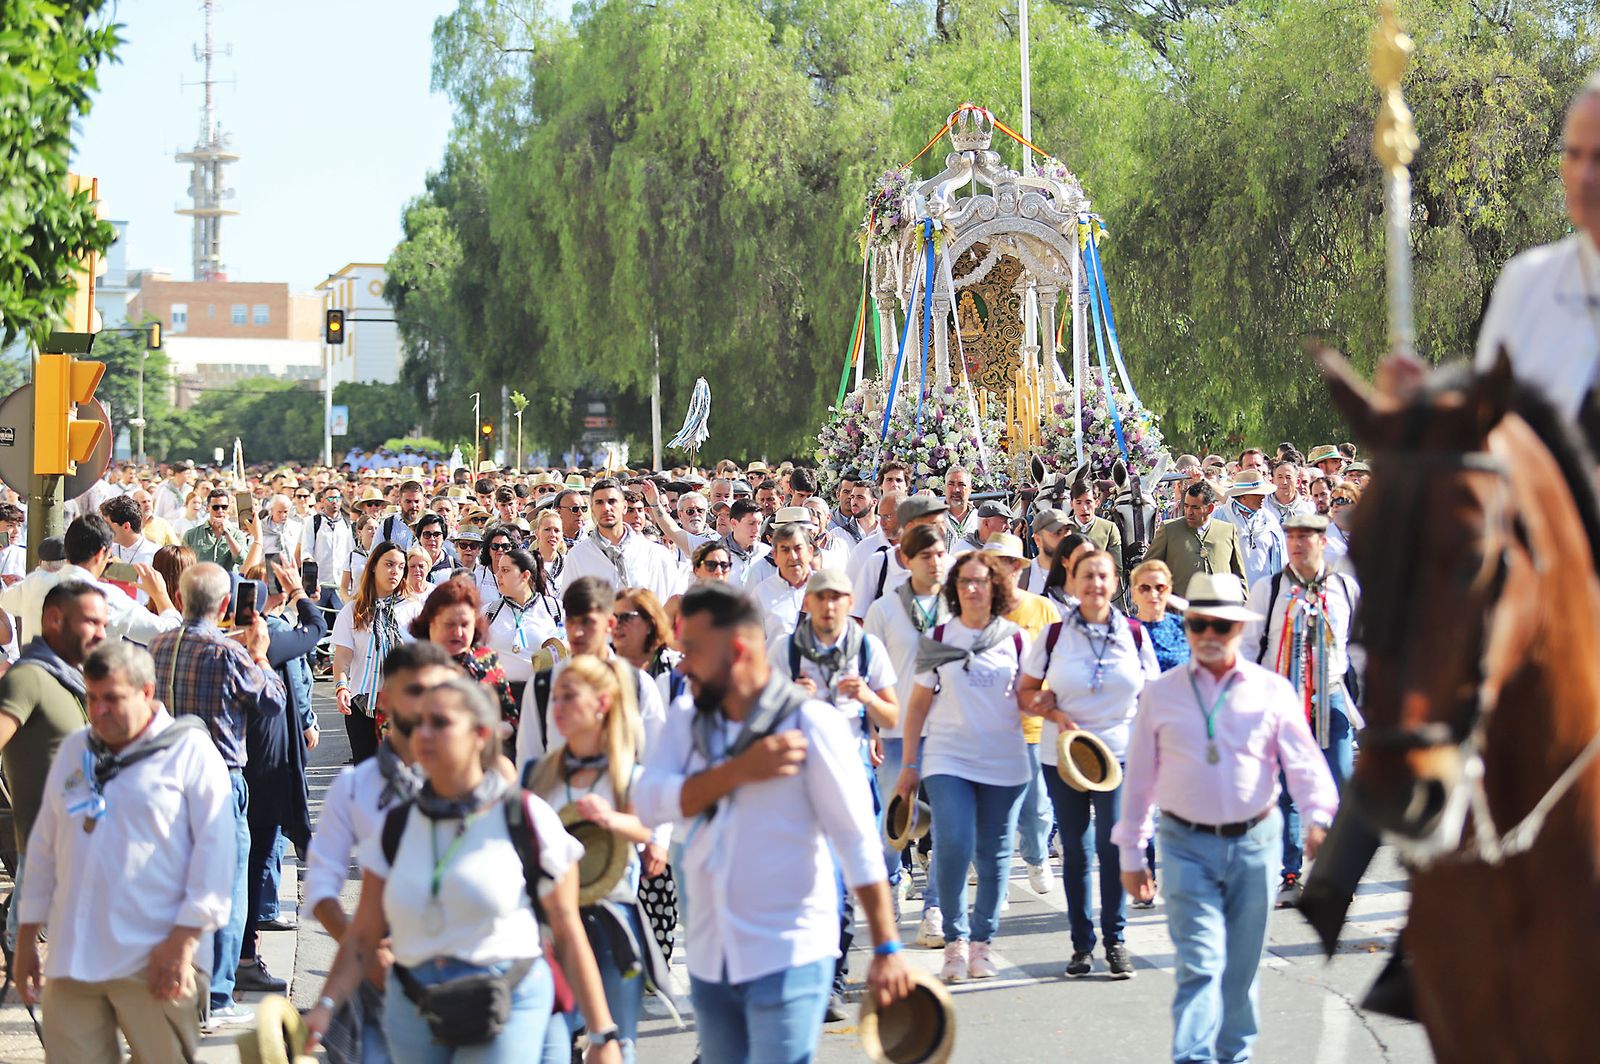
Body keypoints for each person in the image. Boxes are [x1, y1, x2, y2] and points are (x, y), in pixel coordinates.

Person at [635, 583, 913, 1063]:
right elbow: (646, 800)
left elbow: (856, 841)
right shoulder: (685, 718)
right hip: (711, 953)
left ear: (739, 651)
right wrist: (737, 772)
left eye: (694, 651)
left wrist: (887, 947)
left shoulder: (811, 725)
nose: (681, 665)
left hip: (790, 950)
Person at [303, 677, 624, 1064]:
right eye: (418, 722)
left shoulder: (525, 816)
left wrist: (602, 1033)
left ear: (480, 734)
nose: (423, 734)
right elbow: (363, 935)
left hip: (505, 999)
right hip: (413, 1005)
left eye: (440, 723)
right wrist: (325, 1005)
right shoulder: (396, 825)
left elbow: (568, 930)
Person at [1112, 572, 1338, 1064]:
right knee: (1199, 962)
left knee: (1240, 969)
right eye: (1199, 626)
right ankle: (1193, 1058)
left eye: (1221, 626)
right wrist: (1131, 851)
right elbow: (1140, 780)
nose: (1209, 636)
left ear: (1239, 629)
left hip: (1257, 844)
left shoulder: (1271, 691)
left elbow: (1304, 765)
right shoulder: (1161, 693)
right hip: (1185, 843)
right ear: (1187, 627)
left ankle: (1233, 1055)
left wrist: (1319, 819)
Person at [12, 641, 234, 1063]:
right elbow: (43, 846)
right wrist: (25, 938)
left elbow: (216, 856)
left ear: (147, 692)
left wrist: (183, 943)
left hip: (156, 956)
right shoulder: (77, 749)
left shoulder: (190, 751)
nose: (99, 711)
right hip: (74, 957)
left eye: (112, 699)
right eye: (92, 699)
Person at [149, 562, 290, 1028]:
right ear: (226, 605)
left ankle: (178, 983)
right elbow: (272, 700)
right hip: (217, 775)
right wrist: (262, 653)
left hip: (166, 775)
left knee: (175, 883)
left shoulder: (159, 643)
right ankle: (218, 994)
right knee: (227, 885)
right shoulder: (226, 653)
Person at [303, 641, 457, 1064]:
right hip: (377, 973)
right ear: (385, 698)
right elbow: (320, 885)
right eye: (414, 691)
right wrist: (371, 956)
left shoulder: (478, 782)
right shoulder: (355, 787)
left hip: (463, 982)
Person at [1019, 550, 1158, 980]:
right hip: (1064, 755)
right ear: (1074, 583)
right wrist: (1052, 712)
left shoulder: (1133, 633)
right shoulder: (1055, 635)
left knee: (1113, 845)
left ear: (1115, 583)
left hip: (1118, 754)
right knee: (1076, 852)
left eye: (1103, 576)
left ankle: (1115, 940)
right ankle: (1082, 944)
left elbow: (1152, 698)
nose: (1095, 584)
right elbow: (1024, 692)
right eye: (1087, 577)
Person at [894, 552, 1029, 983]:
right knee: (954, 841)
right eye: (966, 581)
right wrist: (910, 764)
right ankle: (954, 939)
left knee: (993, 855)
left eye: (982, 581)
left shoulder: (1017, 639)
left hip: (1003, 760)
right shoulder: (936, 638)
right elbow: (917, 707)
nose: (973, 588)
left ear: (996, 588)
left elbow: (1030, 697)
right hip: (948, 757)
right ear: (954, 588)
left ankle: (981, 944)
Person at [526, 656, 659, 1064]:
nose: (558, 707)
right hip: (549, 926)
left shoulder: (627, 774)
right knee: (548, 1044)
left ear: (602, 703)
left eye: (570, 697)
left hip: (612, 921)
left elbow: (651, 832)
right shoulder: (538, 772)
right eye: (556, 698)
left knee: (616, 1045)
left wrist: (611, 818)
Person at [1243, 512, 1361, 907]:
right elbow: (1249, 646)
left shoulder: (1344, 588)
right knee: (1289, 790)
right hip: (1283, 698)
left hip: (1329, 695)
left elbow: (1356, 647)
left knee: (1341, 782)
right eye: (1290, 536)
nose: (1296, 544)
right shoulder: (1269, 589)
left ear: (1323, 542)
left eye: (1305, 537)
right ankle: (1290, 874)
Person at [1476, 74, 1600, 424]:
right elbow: (1485, 429)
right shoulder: (1526, 282)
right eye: (1573, 155)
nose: (1584, 176)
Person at [234, 557, 326, 992]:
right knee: (251, 866)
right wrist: (300, 593)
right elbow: (315, 631)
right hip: (263, 774)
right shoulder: (264, 643)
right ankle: (245, 955)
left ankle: (236, 952)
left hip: (224, 773)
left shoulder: (217, 640)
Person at [0, 581, 108, 950]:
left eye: (104, 624)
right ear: (55, 620)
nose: (101, 633)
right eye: (91, 622)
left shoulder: (72, 679)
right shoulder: (29, 678)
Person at [863, 523, 949, 946]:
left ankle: (934, 908)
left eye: (940, 554)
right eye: (926, 556)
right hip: (897, 732)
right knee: (893, 824)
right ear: (906, 560)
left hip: (948, 732)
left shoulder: (958, 604)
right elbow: (866, 672)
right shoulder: (884, 609)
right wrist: (873, 728)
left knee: (946, 825)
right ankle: (893, 883)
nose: (935, 563)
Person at [515, 577, 666, 775]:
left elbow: (654, 764)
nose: (577, 632)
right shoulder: (542, 685)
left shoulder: (638, 684)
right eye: (571, 622)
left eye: (588, 622)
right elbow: (528, 764)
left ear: (610, 624)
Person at [333, 541, 424, 764]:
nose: (395, 571)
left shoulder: (413, 609)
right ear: (374, 565)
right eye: (389, 564)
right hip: (362, 703)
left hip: (402, 705)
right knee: (365, 773)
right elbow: (343, 655)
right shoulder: (353, 610)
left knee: (401, 774)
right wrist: (341, 686)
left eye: (401, 566)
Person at [410, 576, 517, 729]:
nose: (458, 633)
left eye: (465, 625)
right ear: (430, 624)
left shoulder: (487, 659)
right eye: (449, 624)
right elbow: (390, 730)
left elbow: (510, 716)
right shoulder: (409, 666)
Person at [563, 478, 682, 602]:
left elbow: (672, 607)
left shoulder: (658, 555)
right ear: (592, 509)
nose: (606, 508)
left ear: (624, 507)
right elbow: (570, 610)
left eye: (612, 501)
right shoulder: (578, 556)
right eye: (599, 502)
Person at [487, 546, 562, 707]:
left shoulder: (554, 609)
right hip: (499, 700)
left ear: (525, 575)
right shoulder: (489, 612)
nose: (498, 575)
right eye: (499, 569)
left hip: (543, 697)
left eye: (505, 570)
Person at [1142, 481, 1247, 595]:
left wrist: (1242, 602)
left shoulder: (1227, 531)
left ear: (1210, 508)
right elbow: (1147, 569)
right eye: (1186, 506)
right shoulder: (1169, 529)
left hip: (1219, 608)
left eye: (1195, 507)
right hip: (1179, 609)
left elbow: (1239, 576)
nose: (1188, 512)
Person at [1217, 471, 1284, 588]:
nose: (1263, 497)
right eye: (1257, 494)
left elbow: (1280, 557)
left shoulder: (1269, 520)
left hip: (1265, 592)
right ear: (1243, 496)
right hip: (1232, 591)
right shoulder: (1221, 518)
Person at [752, 521, 815, 641]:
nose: (793, 556)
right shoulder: (761, 594)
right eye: (785, 550)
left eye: (798, 549)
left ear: (810, 552)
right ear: (775, 555)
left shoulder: (825, 588)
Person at [1130, 559, 1190, 673]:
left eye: (1160, 588)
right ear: (1134, 593)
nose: (1153, 594)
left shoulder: (1185, 627)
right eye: (1145, 588)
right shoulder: (1123, 629)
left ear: (1169, 590)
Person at [303, 485, 355, 610]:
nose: (334, 502)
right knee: (314, 616)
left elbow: (351, 552)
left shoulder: (347, 523)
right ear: (323, 500)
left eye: (337, 498)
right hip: (320, 582)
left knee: (342, 617)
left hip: (340, 583)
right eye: (330, 499)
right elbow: (307, 550)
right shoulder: (313, 521)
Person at [183, 489, 256, 571]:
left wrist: (227, 535)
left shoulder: (237, 534)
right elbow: (184, 564)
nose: (220, 511)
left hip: (228, 582)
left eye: (224, 507)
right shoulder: (191, 535)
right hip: (201, 582)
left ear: (228, 509)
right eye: (215, 507)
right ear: (208, 508)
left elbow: (241, 559)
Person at [613, 587, 674, 677]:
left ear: (650, 622)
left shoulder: (676, 668)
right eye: (613, 617)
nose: (616, 624)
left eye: (625, 617)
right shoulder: (599, 666)